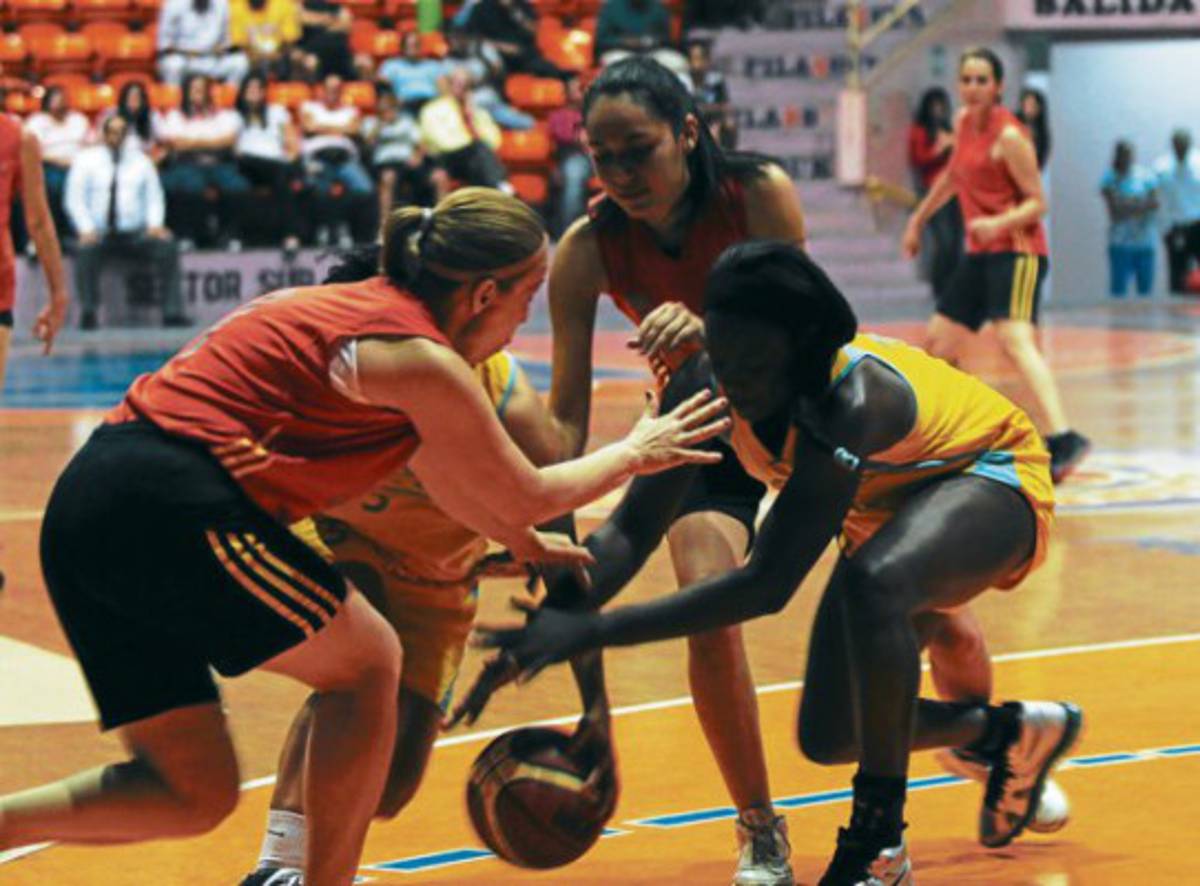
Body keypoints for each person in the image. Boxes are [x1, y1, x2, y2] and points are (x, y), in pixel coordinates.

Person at [0, 189, 727, 886]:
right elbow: (529, 490)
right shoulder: (418, 353)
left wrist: (522, 540)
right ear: (484, 295)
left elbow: (457, 486)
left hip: (91, 507)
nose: (522, 319)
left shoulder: (386, 334)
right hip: (165, 499)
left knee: (192, 792)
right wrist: (638, 449)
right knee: (369, 660)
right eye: (526, 297)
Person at [477, 240, 1084, 886]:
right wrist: (556, 607)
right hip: (887, 515)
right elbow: (630, 531)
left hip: (993, 477)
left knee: (877, 583)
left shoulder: (854, 401)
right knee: (831, 734)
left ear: (800, 354)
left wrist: (594, 629)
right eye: (722, 354)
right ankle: (1005, 734)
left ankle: (878, 845)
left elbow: (767, 584)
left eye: (752, 364)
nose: (732, 380)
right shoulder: (705, 381)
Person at [238, 242, 593, 885]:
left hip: (440, 575)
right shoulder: (339, 371)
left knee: (390, 786)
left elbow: (551, 499)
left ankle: (311, 856)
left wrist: (595, 708)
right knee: (359, 660)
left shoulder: (492, 385)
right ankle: (280, 865)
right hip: (342, 536)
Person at [544, 56, 807, 886]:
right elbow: (564, 423)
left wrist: (714, 326)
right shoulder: (586, 249)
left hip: (810, 415)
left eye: (639, 151)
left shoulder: (757, 194)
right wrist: (532, 503)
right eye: (602, 157)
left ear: (688, 133)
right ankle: (759, 825)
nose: (620, 174)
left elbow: (816, 329)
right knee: (707, 604)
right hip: (704, 425)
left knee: (926, 617)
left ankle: (995, 734)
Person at [902, 47, 1089, 484]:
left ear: (999, 86)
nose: (972, 88)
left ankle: (1063, 437)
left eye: (982, 80)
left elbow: (1038, 203)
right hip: (981, 252)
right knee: (939, 340)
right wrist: (917, 220)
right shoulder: (963, 123)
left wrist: (997, 223)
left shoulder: (1010, 137)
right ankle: (954, 433)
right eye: (966, 79)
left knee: (1013, 338)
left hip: (1018, 251)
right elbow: (952, 178)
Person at [64, 115, 185, 330]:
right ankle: (89, 312)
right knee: (85, 250)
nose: (116, 137)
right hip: (98, 234)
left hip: (135, 234)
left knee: (167, 246)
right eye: (112, 132)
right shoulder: (85, 160)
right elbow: (74, 198)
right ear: (104, 134)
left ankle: (172, 312)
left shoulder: (141, 161)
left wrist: (155, 224)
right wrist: (85, 228)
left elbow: (154, 196)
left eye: (121, 132)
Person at [0, 115, 69, 393]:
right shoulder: (20, 137)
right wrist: (58, 295)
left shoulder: (19, 138)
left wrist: (59, 295)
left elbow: (39, 223)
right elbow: (38, 223)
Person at [157, 72, 252, 249]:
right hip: (187, 164)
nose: (198, 92)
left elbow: (228, 140)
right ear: (186, 92)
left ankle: (230, 236)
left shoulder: (225, 115)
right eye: (194, 89)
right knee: (190, 187)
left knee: (238, 187)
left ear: (209, 91)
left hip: (220, 163)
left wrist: (192, 142)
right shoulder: (175, 115)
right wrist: (212, 142)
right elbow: (175, 144)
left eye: (202, 89)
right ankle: (188, 236)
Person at [300, 73, 375, 247]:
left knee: (365, 189)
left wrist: (321, 127)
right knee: (318, 189)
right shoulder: (309, 107)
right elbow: (308, 127)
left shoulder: (351, 110)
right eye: (329, 88)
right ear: (322, 90)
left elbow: (354, 129)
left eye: (336, 89)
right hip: (318, 157)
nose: (332, 92)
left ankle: (346, 228)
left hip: (344, 158)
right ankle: (326, 228)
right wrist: (341, 129)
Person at [234, 72, 304, 252]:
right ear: (242, 92)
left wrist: (291, 159)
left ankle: (290, 236)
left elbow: (293, 143)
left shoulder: (277, 112)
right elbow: (234, 149)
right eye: (250, 88)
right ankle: (291, 235)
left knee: (284, 176)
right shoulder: (235, 117)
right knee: (281, 173)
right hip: (246, 165)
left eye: (258, 88)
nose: (254, 92)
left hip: (275, 165)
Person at [907, 86, 963, 301]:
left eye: (941, 106)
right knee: (944, 241)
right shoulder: (920, 130)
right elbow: (919, 159)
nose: (938, 111)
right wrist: (938, 150)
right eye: (934, 106)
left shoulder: (948, 127)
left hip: (955, 190)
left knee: (956, 241)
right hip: (933, 190)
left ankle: (953, 285)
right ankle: (940, 286)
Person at [418, 67, 510, 193]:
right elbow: (441, 142)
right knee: (478, 153)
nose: (461, 89)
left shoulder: (477, 112)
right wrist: (470, 144)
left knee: (477, 162)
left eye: (466, 86)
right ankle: (502, 187)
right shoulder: (433, 109)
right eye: (457, 84)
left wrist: (472, 117)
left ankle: (494, 191)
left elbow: (495, 140)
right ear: (449, 84)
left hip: (473, 158)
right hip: (445, 158)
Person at [362, 85, 441, 222]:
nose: (389, 111)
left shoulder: (406, 122)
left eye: (392, 107)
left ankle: (441, 220)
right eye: (385, 108)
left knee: (439, 177)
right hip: (387, 163)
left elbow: (421, 144)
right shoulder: (370, 122)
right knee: (389, 177)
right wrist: (380, 124)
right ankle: (384, 223)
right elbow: (368, 144)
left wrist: (417, 156)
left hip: (408, 161)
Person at [24, 85, 91, 239]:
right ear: (47, 102)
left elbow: (91, 145)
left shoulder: (79, 119)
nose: (61, 103)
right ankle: (59, 231)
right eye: (57, 100)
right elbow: (32, 153)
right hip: (50, 165)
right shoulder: (36, 121)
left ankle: (83, 230)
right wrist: (59, 161)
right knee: (56, 186)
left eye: (64, 100)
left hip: (80, 165)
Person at [1101, 140, 1159, 299]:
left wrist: (1127, 203)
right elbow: (1115, 211)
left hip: (1145, 242)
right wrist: (1139, 203)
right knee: (1118, 292)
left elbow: (1154, 204)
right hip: (1120, 243)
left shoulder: (1146, 176)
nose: (1125, 158)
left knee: (1145, 293)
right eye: (1122, 154)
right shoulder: (1109, 177)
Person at [156, 0, 251, 85]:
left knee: (240, 63)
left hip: (211, 59)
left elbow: (225, 40)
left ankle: (228, 96)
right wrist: (185, 52)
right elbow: (164, 45)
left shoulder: (221, 3)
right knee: (172, 64)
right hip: (185, 60)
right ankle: (173, 98)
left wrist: (221, 50)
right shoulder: (174, 3)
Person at [1153, 128, 1200, 295]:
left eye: (1184, 144)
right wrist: (1164, 228)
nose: (1181, 147)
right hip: (1176, 226)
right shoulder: (1161, 167)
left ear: (1190, 144)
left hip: (1198, 224)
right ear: (1172, 145)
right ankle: (1177, 311)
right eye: (1177, 144)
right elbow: (1158, 200)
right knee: (1178, 275)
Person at [1015, 87, 1049, 170]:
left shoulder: (1042, 131)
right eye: (1026, 104)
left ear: (1039, 108)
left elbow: (1042, 156)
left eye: (1033, 105)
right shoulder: (1012, 121)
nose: (1029, 109)